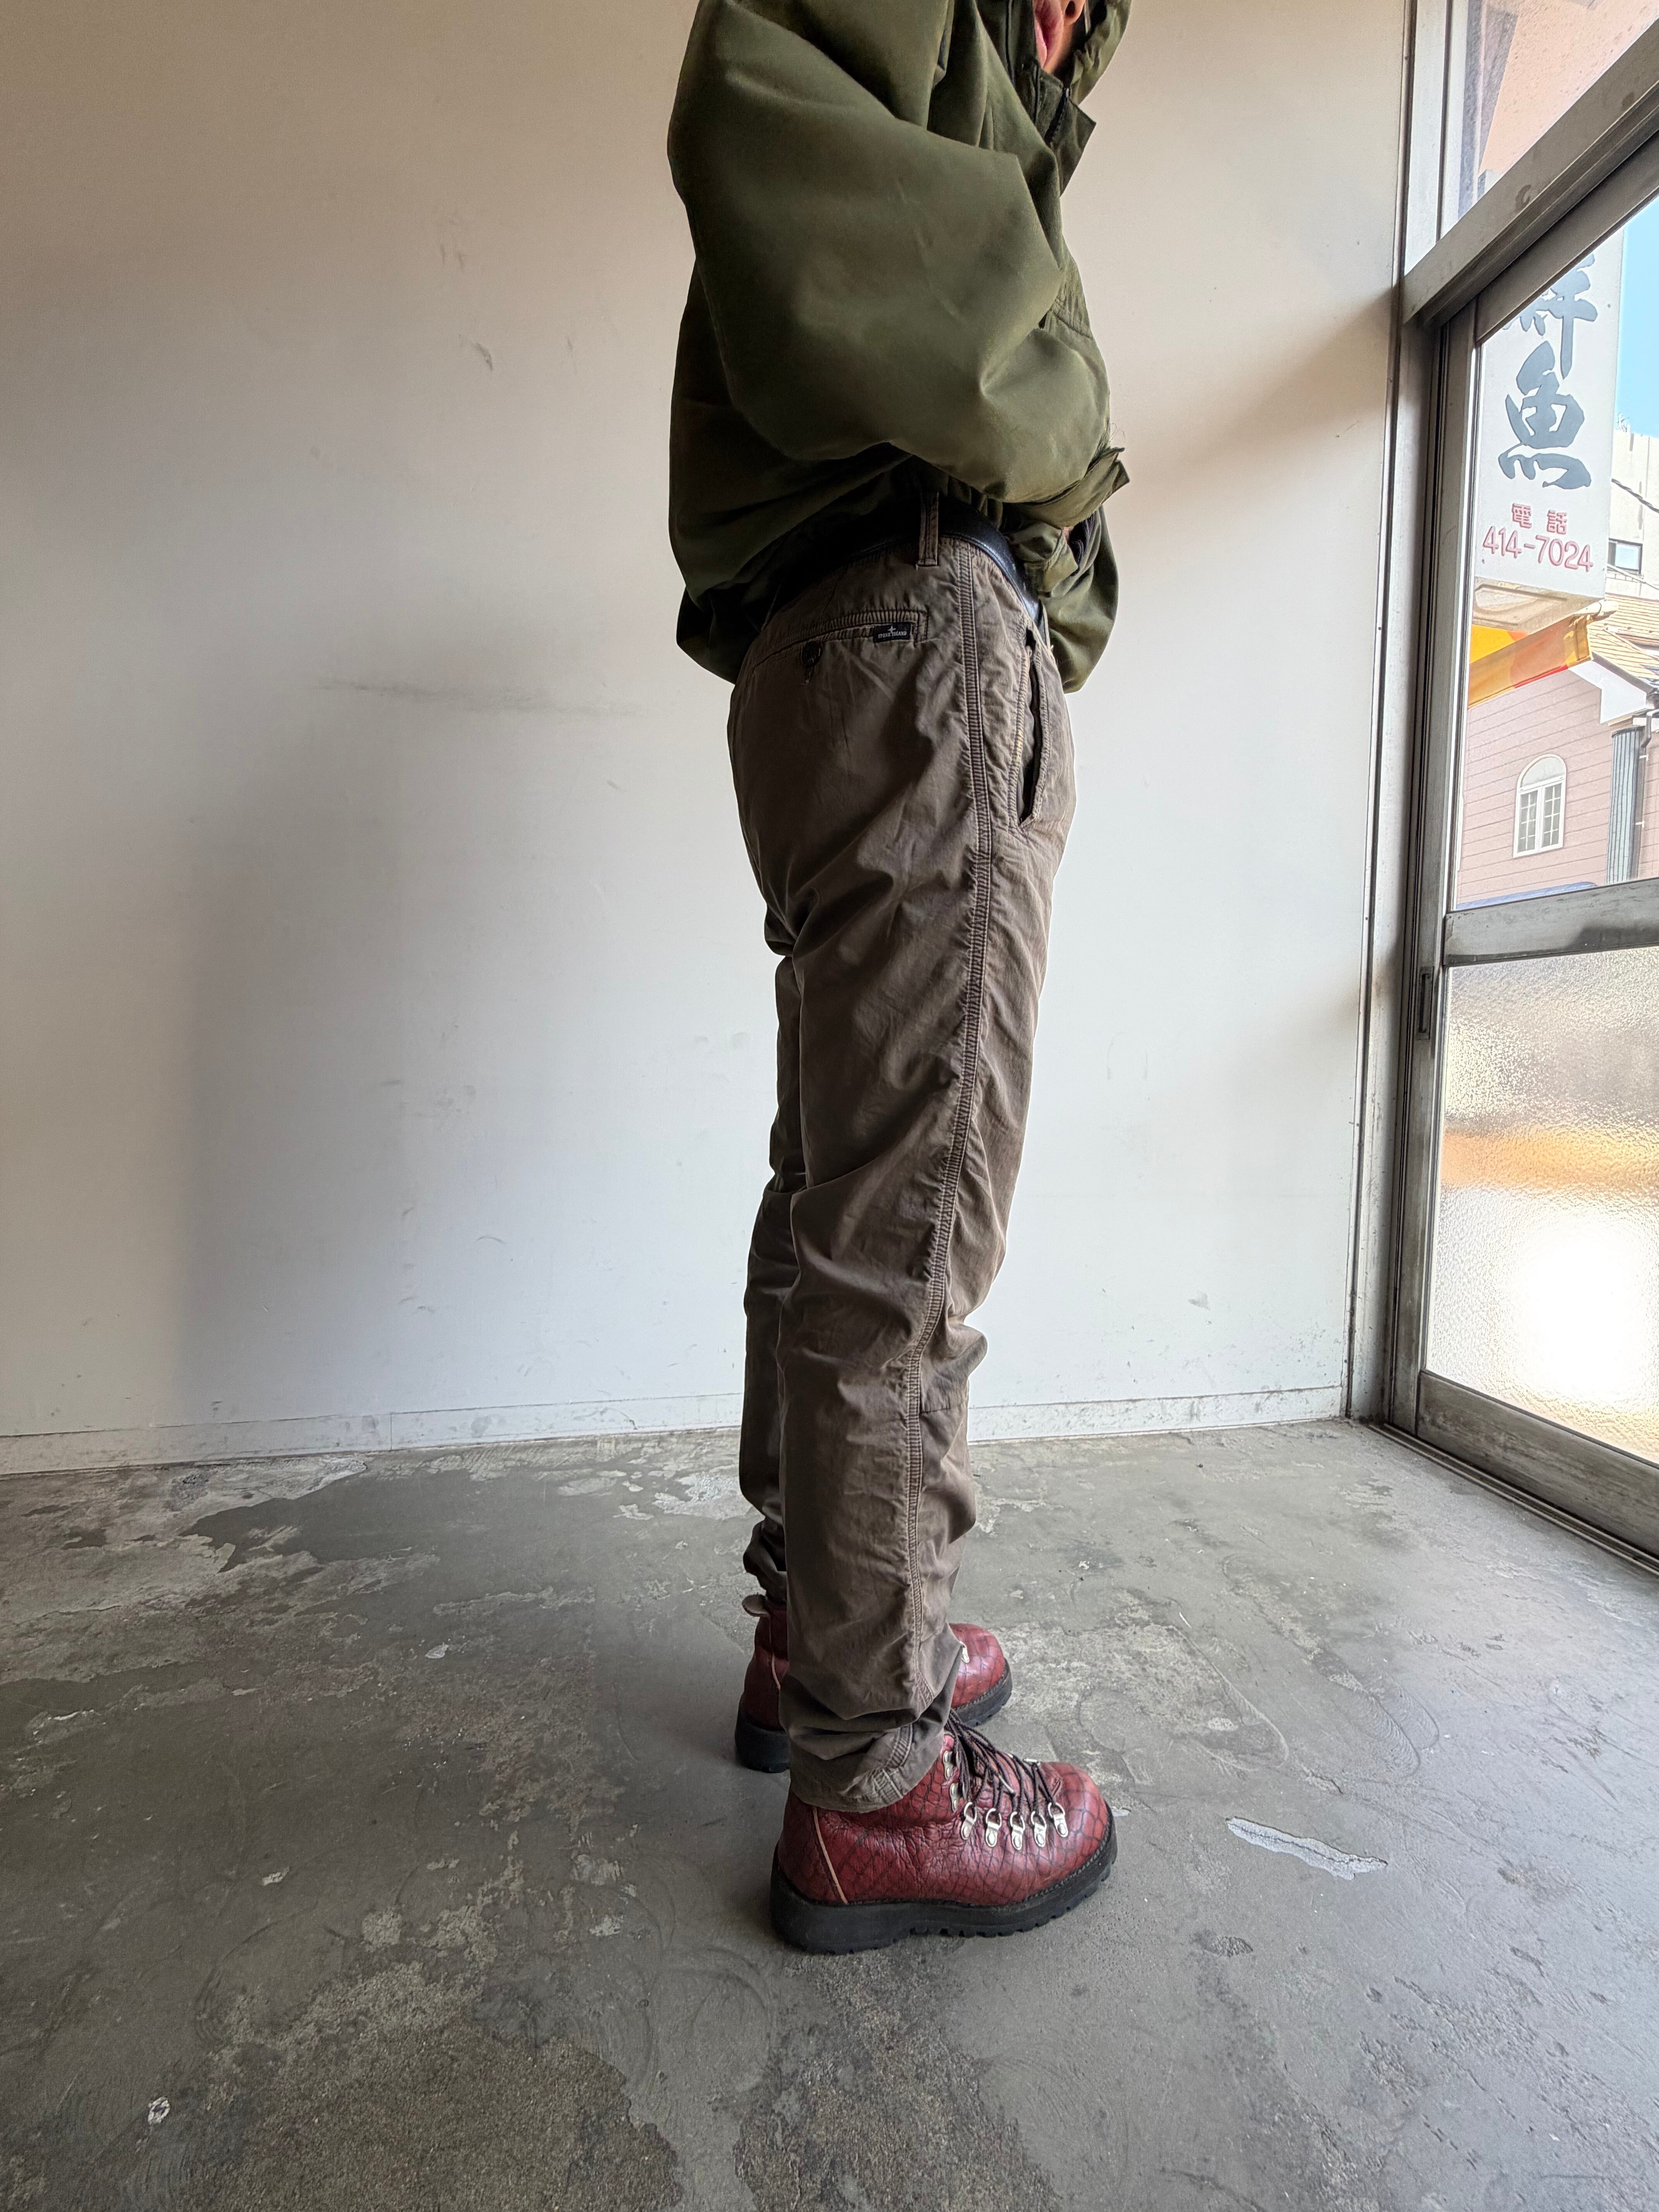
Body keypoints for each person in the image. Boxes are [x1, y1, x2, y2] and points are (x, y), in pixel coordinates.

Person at [667, 0, 1130, 1952]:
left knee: (839, 1193)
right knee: (910, 1231)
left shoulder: (1003, 67)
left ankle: (822, 1639)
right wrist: (1072, 472)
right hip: (918, 627)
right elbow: (771, 143)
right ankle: (879, 1780)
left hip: (828, 648)